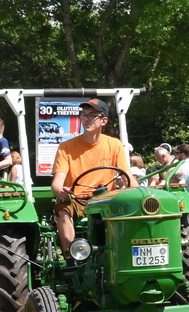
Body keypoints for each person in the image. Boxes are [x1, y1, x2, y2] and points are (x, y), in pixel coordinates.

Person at [51, 97, 130, 251]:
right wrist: (61, 191)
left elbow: (128, 179)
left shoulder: (114, 145)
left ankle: (123, 253)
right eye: (84, 115)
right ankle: (71, 257)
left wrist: (136, 190)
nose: (86, 119)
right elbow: (57, 182)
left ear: (103, 121)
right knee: (63, 211)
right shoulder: (66, 147)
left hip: (106, 198)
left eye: (92, 115)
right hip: (76, 198)